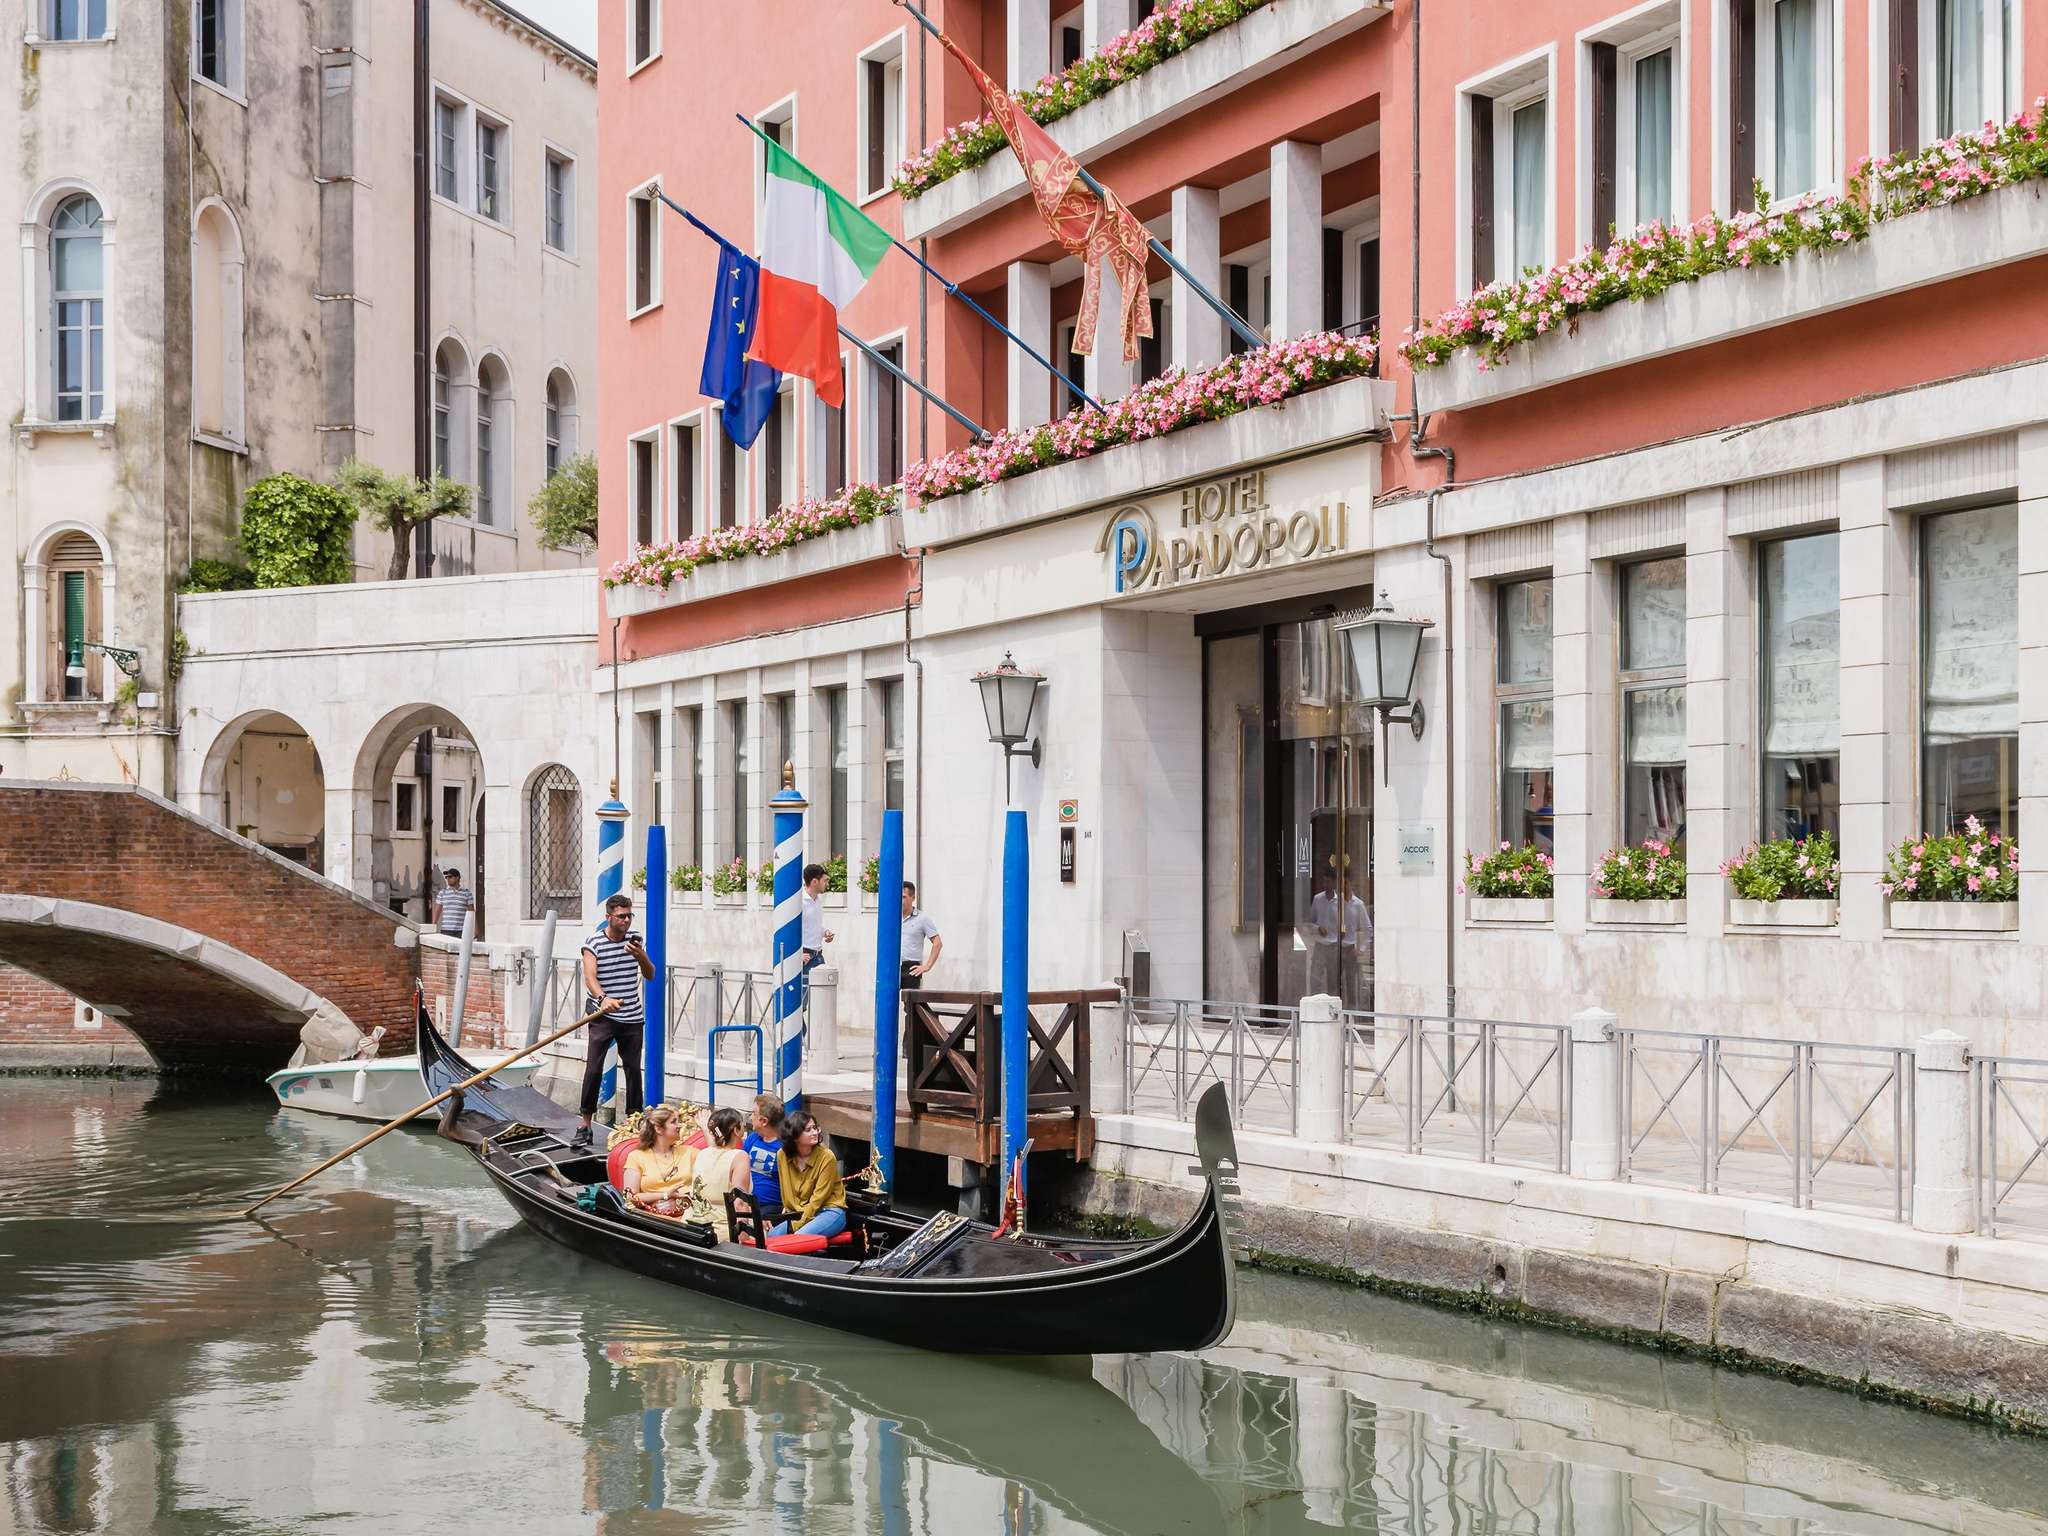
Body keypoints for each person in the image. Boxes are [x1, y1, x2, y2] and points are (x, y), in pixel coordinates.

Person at [573, 894, 654, 1150]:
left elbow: (650, 974)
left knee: (632, 1070)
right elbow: (590, 977)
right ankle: (585, 1124)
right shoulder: (594, 942)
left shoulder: (635, 939)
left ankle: (634, 1123)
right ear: (609, 917)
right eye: (621, 916)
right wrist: (603, 998)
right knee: (594, 1069)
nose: (626, 920)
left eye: (629, 915)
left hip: (631, 1016)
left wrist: (640, 955)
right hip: (603, 1016)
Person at [773, 1111, 847, 1239]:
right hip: (798, 1212)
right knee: (771, 1236)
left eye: (815, 1128)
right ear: (795, 1136)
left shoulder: (827, 1157)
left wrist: (797, 1225)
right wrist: (789, 1214)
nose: (815, 1132)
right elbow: (786, 1191)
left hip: (829, 1211)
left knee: (797, 1239)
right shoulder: (782, 1155)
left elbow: (818, 1199)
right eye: (808, 1130)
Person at [684, 1107, 750, 1239]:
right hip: (723, 1230)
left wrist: (705, 1127)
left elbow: (717, 1147)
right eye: (742, 1125)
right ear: (737, 1130)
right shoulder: (740, 1156)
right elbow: (739, 1202)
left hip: (693, 1224)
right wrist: (744, 1236)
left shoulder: (703, 1153)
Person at [898, 882, 942, 1069]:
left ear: (912, 898)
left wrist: (927, 966)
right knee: (887, 1004)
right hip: (892, 967)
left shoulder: (922, 918)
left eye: (904, 897)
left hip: (911, 967)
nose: (900, 901)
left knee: (911, 1007)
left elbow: (937, 943)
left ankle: (909, 1048)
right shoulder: (891, 915)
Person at [622, 1106, 697, 1216]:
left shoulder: (690, 1152)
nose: (680, 1125)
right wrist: (666, 1195)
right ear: (658, 1129)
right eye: (674, 1122)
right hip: (655, 1218)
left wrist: (705, 1129)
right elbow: (631, 1197)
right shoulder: (637, 1157)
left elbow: (716, 1161)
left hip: (690, 1214)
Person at [742, 1093, 786, 1216]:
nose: (751, 1117)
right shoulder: (752, 1139)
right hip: (747, 1201)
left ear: (764, 1121)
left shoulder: (784, 1147)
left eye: (753, 1113)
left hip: (770, 1206)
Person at [799, 864, 833, 973]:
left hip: (818, 956)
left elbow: (812, 925)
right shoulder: (799, 902)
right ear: (814, 882)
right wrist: (798, 954)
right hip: (805, 957)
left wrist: (825, 932)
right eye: (825, 880)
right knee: (804, 990)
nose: (827, 884)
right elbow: (790, 930)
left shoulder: (818, 900)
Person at [432, 867, 474, 938]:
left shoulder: (466, 893)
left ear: (457, 878)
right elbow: (437, 911)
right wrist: (433, 926)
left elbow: (472, 912)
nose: (448, 879)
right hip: (446, 930)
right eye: (446, 877)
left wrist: (475, 929)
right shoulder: (442, 893)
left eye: (450, 877)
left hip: (461, 930)